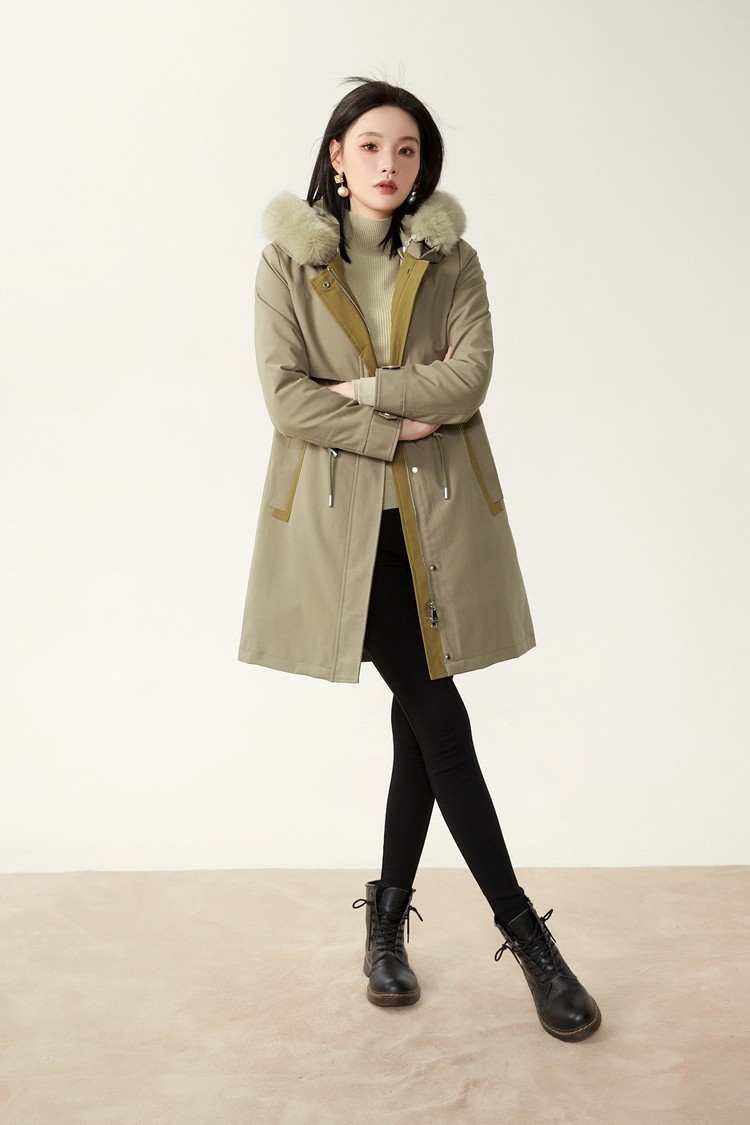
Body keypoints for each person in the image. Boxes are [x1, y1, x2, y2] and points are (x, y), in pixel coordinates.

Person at [238, 78, 601, 1042]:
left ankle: (386, 925)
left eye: (407, 149)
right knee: (441, 719)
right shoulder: (285, 262)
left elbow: (469, 378)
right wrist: (397, 420)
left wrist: (362, 390)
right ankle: (528, 937)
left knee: (417, 726)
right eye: (370, 146)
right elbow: (286, 398)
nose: (389, 164)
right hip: (345, 539)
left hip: (437, 526)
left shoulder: (452, 260)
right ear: (336, 156)